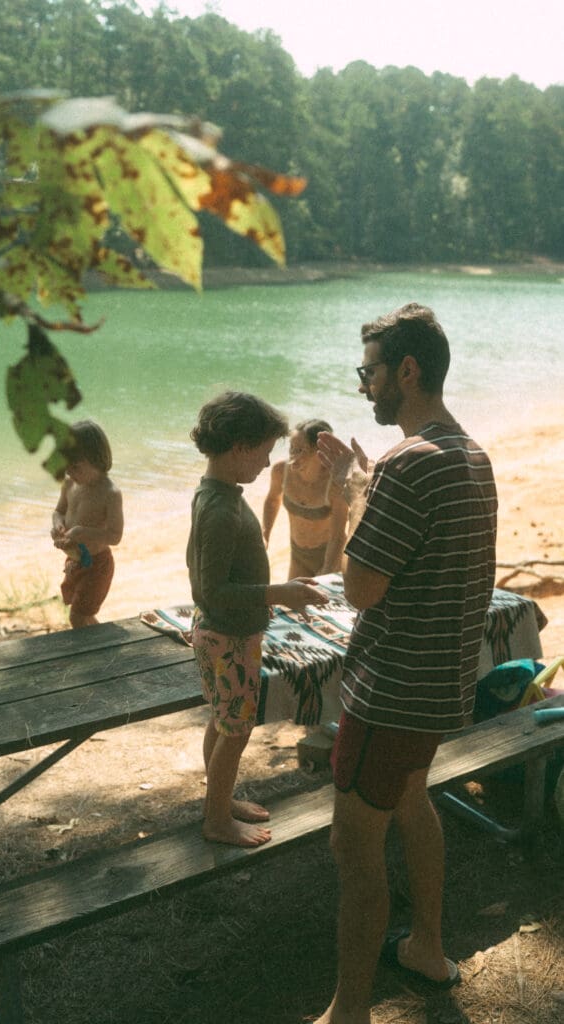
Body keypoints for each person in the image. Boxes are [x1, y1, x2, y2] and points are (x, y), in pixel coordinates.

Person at [312, 303, 498, 1024]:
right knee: (414, 802)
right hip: (438, 686)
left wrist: (354, 495)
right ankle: (425, 944)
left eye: (370, 371)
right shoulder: (469, 454)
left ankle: (348, 1012)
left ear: (407, 370)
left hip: (389, 691)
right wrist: (370, 487)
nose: (364, 387)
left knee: (352, 847)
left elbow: (359, 589)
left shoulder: (405, 464)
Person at [187, 391, 329, 848]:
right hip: (228, 636)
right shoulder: (221, 510)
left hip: (224, 632)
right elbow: (211, 591)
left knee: (223, 721)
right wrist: (278, 593)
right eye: (265, 452)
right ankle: (216, 821)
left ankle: (220, 800)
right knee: (236, 730)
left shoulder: (217, 492)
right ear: (241, 447)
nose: (269, 465)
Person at [51, 419, 124, 629]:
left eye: (75, 467)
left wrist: (83, 532)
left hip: (97, 565)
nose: (69, 473)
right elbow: (58, 511)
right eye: (66, 467)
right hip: (75, 561)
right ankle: (103, 646)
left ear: (97, 459)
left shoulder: (110, 493)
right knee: (84, 616)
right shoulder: (69, 485)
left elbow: (115, 536)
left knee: (78, 617)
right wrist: (57, 525)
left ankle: (97, 654)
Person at [262, 419, 350, 579]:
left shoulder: (335, 484)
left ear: (320, 451)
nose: (292, 456)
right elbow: (272, 500)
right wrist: (265, 535)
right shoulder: (281, 471)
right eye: (291, 448)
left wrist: (327, 570)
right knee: (291, 602)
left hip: (330, 556)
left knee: (319, 601)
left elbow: (338, 536)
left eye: (300, 450)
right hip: (298, 555)